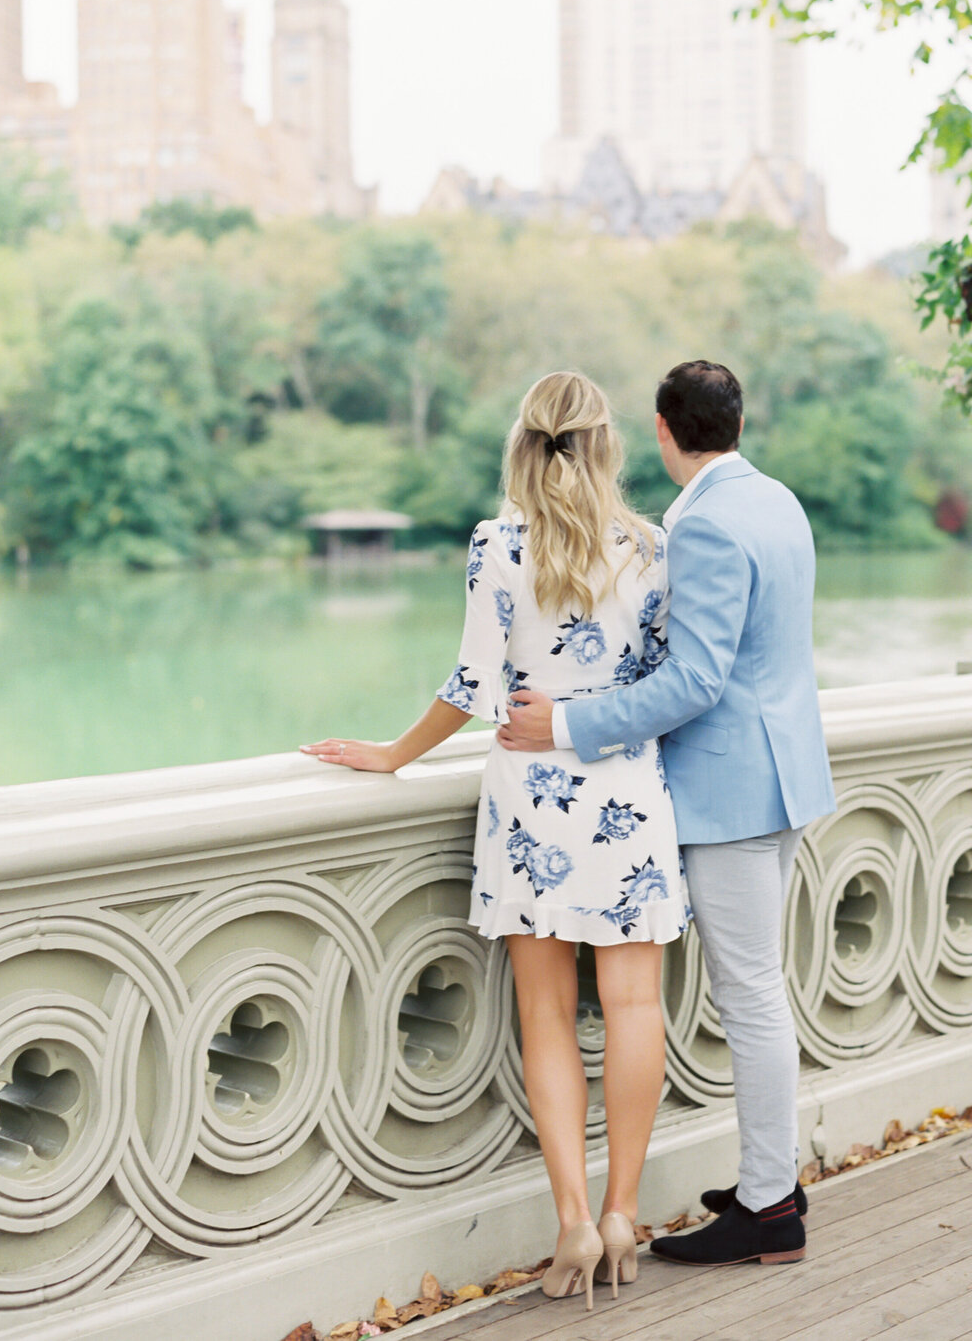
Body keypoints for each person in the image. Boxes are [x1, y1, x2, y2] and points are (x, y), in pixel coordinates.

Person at [301, 371, 688, 1311]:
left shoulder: (496, 544)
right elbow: (667, 679)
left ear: (523, 444)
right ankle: (624, 1213)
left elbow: (472, 686)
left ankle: (570, 1219)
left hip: (530, 803)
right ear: (607, 446)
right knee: (635, 1008)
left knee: (547, 1015)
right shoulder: (651, 545)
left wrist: (393, 754)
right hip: (627, 793)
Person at [500, 359, 836, 1269]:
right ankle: (770, 1183)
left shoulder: (708, 525)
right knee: (760, 988)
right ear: (735, 421)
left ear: (661, 429)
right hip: (784, 774)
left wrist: (565, 722)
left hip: (730, 790)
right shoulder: (777, 501)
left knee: (752, 994)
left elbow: (696, 679)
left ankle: (770, 1206)